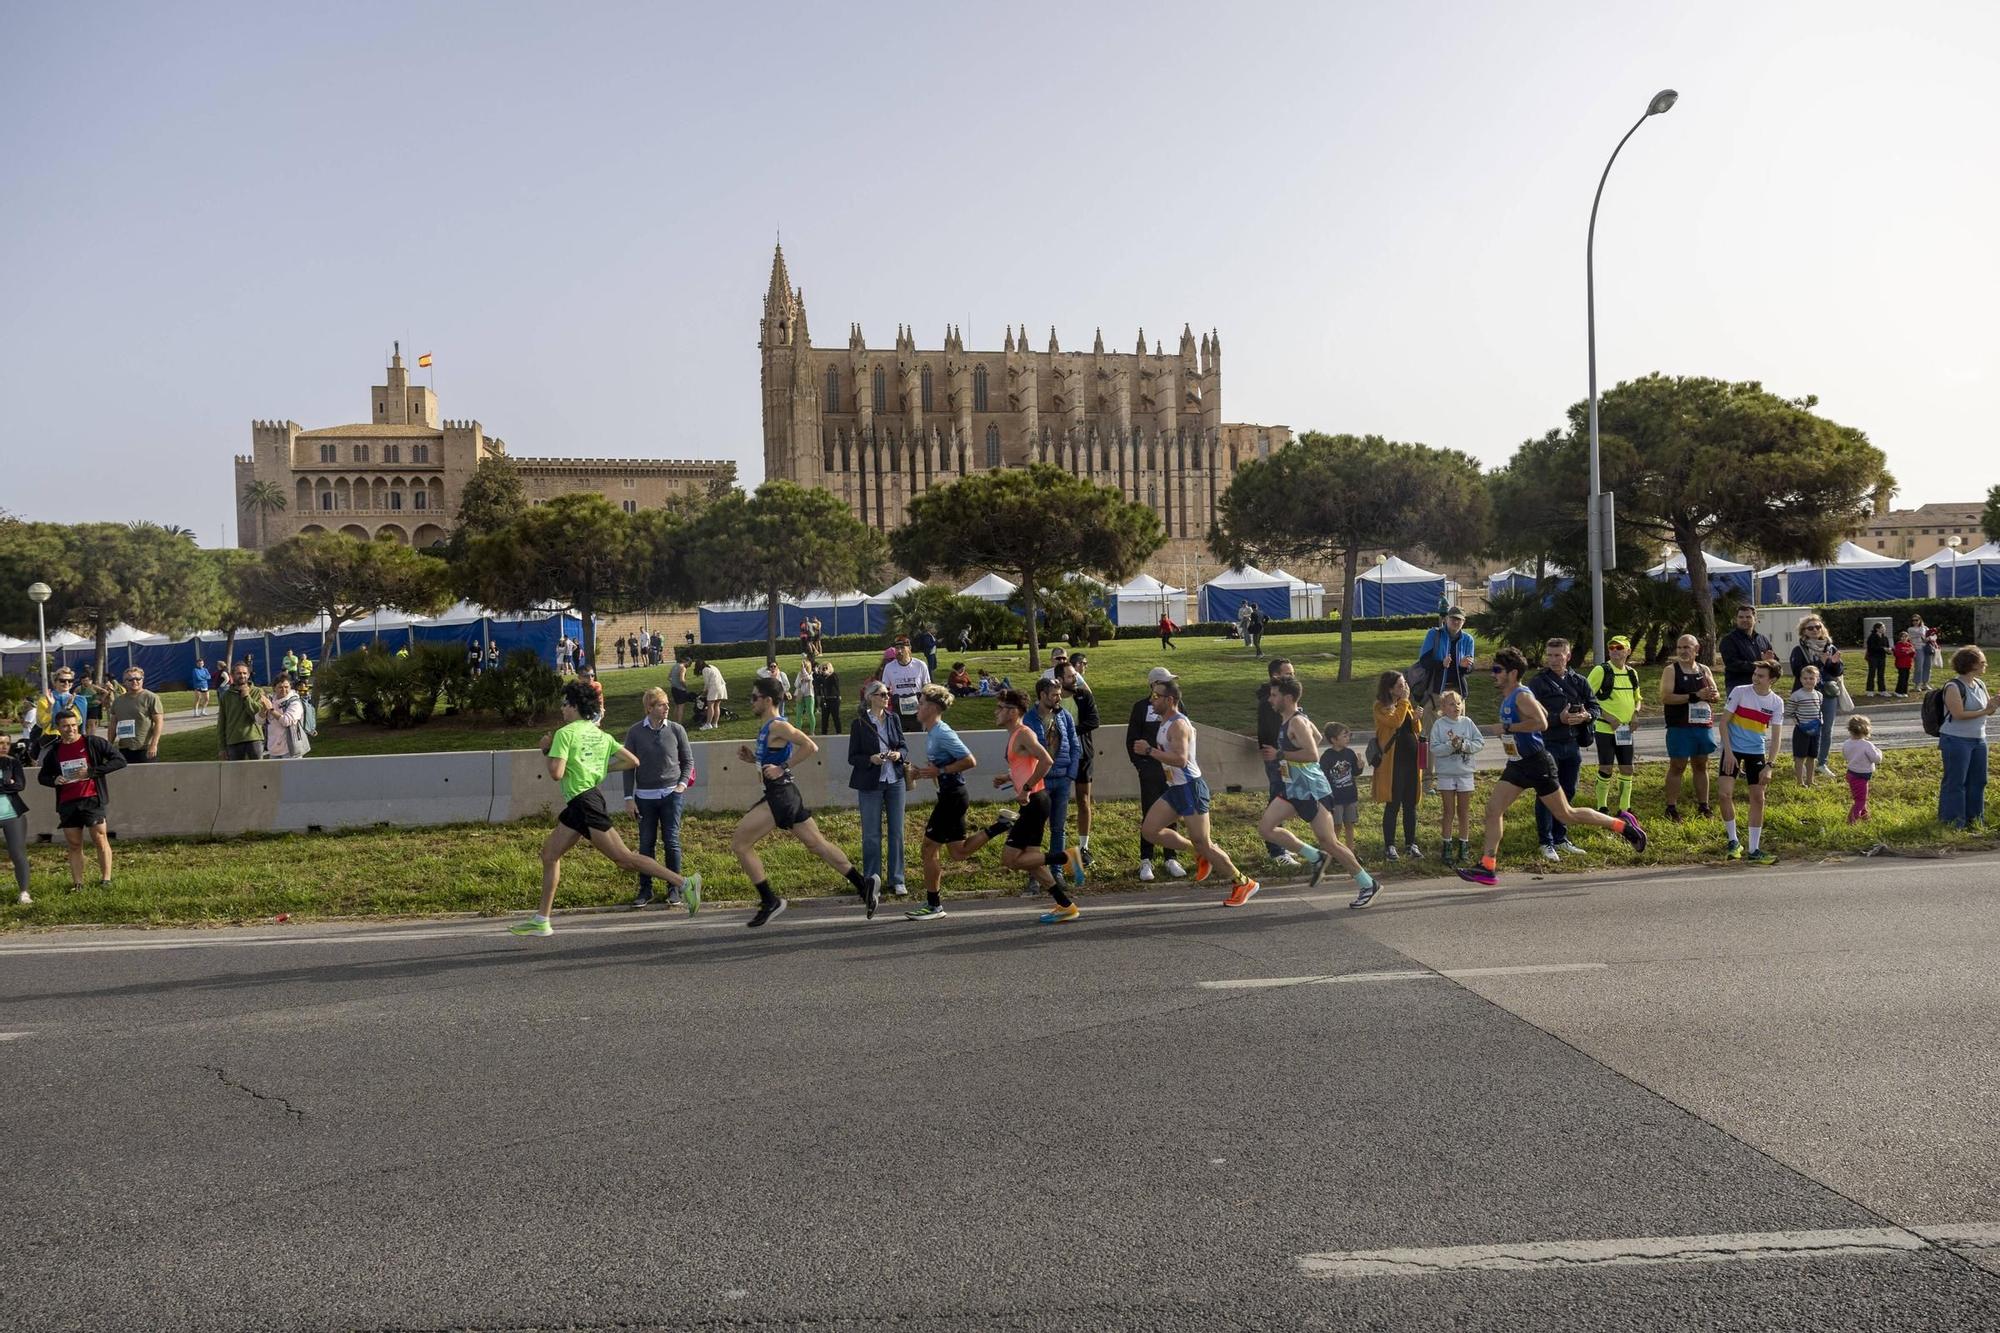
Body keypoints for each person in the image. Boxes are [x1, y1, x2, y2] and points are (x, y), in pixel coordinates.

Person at [508, 681, 700, 937]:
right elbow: (632, 761)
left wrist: (546, 749)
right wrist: (597, 768)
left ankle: (685, 883)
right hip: (582, 802)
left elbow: (556, 773)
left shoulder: (564, 734)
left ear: (574, 706)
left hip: (585, 802)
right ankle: (542, 919)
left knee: (624, 858)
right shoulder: (599, 734)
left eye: (564, 705)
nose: (562, 709)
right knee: (549, 855)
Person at [1454, 647, 1649, 888]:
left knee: (1566, 814)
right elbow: (1543, 712)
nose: (1493, 674)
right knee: (1493, 810)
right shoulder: (1513, 695)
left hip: (1537, 762)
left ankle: (1623, 826)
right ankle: (1487, 867)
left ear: (1512, 673)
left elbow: (1542, 722)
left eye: (1497, 670)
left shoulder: (1521, 695)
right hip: (1517, 764)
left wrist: (1508, 729)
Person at [731, 677, 881, 926]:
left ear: (768, 700)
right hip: (785, 793)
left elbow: (810, 746)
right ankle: (864, 885)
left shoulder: (778, 726)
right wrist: (753, 760)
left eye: (754, 697)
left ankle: (770, 900)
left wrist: (782, 767)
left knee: (740, 845)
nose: (751, 701)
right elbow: (772, 758)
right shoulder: (769, 727)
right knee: (817, 844)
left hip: (779, 796)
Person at [1135, 677, 1260, 905]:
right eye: (1151, 695)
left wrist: (1149, 750)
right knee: (1150, 830)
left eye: (1156, 696)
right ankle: (1197, 851)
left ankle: (1243, 882)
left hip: (1190, 788)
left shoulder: (1178, 725)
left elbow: (1181, 760)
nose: (1151, 700)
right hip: (1175, 788)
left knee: (1205, 842)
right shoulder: (1165, 722)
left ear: (1169, 699)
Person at [1254, 677, 1377, 906]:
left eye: (1274, 695)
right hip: (1294, 788)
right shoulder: (1293, 718)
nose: (1270, 699)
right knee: (1266, 828)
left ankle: (1368, 883)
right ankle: (1315, 856)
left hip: (1312, 790)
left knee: (1330, 842)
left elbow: (1313, 754)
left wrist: (1280, 755)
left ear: (1287, 698)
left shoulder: (1297, 722)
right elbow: (1318, 737)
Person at [905, 684, 1011, 920]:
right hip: (951, 795)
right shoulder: (932, 732)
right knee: (958, 852)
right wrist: (921, 773)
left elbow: (970, 760)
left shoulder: (942, 732)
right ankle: (1001, 825)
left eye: (921, 703)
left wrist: (940, 770)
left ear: (932, 708)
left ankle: (933, 905)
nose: (917, 707)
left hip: (953, 797)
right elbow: (939, 771)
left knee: (928, 849)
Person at [37, 708, 127, 891]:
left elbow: (119, 760)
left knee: (100, 839)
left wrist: (93, 772)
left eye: (73, 725)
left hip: (92, 799)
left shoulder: (92, 742)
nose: (71, 729)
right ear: (58, 728)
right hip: (67, 803)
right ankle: (78, 883)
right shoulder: (54, 750)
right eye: (65, 726)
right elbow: (42, 776)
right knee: (74, 844)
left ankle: (106, 879)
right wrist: (54, 780)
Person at [621, 686, 694, 909]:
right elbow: (627, 767)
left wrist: (681, 786)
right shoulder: (634, 732)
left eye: (667, 704)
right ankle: (646, 889)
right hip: (645, 797)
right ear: (650, 708)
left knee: (671, 842)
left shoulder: (676, 729)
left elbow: (688, 761)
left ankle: (674, 888)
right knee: (646, 844)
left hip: (671, 795)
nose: (667, 708)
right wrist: (628, 798)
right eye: (662, 704)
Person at [1527, 638, 1598, 862]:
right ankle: (1545, 842)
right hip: (1548, 744)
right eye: (1549, 655)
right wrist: (1560, 718)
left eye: (1558, 655)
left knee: (1568, 792)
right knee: (1547, 794)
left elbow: (1595, 705)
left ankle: (1561, 838)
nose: (1553, 660)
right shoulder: (1538, 683)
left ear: (1567, 656)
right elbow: (1530, 715)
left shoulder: (1579, 681)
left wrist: (1587, 715)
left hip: (1572, 745)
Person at [1717, 660, 1784, 863]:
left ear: (1771, 680)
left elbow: (1777, 737)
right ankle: (1733, 841)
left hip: (1756, 751)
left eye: (1761, 675)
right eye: (1755, 673)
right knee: (1724, 794)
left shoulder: (1776, 702)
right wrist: (1728, 753)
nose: (1755, 678)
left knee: (1758, 798)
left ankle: (1754, 850)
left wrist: (1769, 765)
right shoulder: (1740, 691)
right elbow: (1722, 723)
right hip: (1733, 750)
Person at [1126, 666, 1188, 882]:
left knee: (1172, 812)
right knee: (1150, 813)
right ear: (1153, 685)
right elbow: (1132, 739)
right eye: (1165, 682)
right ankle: (1146, 859)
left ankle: (1171, 857)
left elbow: (1186, 734)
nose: (1171, 686)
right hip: (1150, 770)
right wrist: (1141, 766)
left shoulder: (1178, 707)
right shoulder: (1141, 707)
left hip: (1172, 770)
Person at [848, 681, 908, 899]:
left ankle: (897, 879)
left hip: (895, 781)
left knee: (897, 832)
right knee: (871, 835)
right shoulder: (859, 723)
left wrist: (898, 755)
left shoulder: (894, 719)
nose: (886, 697)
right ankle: (872, 880)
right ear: (871, 697)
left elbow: (903, 746)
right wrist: (871, 760)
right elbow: (852, 757)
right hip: (870, 783)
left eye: (887, 693)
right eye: (882, 694)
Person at [1026, 675, 1083, 886]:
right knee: (1035, 829)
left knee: (1058, 828)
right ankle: (1035, 874)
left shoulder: (1064, 716)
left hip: (1062, 779)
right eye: (1054, 695)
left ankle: (1056, 871)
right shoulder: (1029, 719)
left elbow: (1075, 746)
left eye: (1059, 695)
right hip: (1040, 781)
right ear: (1042, 695)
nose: (1058, 699)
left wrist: (1071, 774)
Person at [1660, 633, 1721, 822]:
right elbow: (1666, 697)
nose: (1683, 651)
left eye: (1687, 647)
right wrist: (1695, 695)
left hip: (1702, 725)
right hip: (1680, 726)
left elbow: (1716, 694)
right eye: (1680, 647)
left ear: (1697, 649)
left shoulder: (1704, 670)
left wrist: (1712, 696)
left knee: (1701, 765)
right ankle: (1671, 807)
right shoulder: (1671, 670)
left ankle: (1704, 805)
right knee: (1677, 766)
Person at [1937, 645, 1995, 831]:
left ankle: (1975, 819)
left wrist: (1994, 704)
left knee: (1978, 780)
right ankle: (1953, 822)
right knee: (1956, 782)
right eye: (1982, 662)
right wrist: (1986, 710)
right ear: (1971, 665)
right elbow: (1958, 714)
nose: (1985, 664)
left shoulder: (1979, 684)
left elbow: (1988, 711)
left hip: (1979, 739)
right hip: (1956, 739)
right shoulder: (1954, 686)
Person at [1585, 635, 1643, 816]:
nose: (1614, 650)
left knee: (1627, 767)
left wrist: (1635, 714)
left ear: (1628, 651)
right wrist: (1608, 717)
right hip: (1604, 728)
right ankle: (1602, 806)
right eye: (1611, 647)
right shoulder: (1600, 671)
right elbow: (1587, 697)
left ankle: (1625, 808)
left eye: (1619, 647)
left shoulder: (1632, 673)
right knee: (1606, 767)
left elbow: (1637, 699)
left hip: (1625, 730)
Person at [1254, 658, 1303, 867]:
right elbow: (1270, 731)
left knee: (1284, 801)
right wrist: (1276, 752)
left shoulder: (1283, 697)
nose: (1292, 676)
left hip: (1284, 757)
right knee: (1278, 801)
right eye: (1288, 674)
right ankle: (1276, 851)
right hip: (1277, 758)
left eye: (1293, 673)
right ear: (1275, 676)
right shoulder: (1270, 701)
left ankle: (1283, 846)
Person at [1428, 690, 1484, 867]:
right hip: (1446, 774)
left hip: (1465, 773)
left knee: (1464, 812)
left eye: (1458, 703)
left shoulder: (1467, 723)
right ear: (1443, 707)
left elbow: (1479, 742)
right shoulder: (1439, 725)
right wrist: (1450, 746)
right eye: (1451, 704)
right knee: (1448, 811)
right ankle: (1446, 846)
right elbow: (1434, 748)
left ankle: (1463, 846)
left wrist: (1465, 745)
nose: (1456, 707)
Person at [1372, 670, 1423, 861]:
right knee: (1393, 805)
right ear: (1390, 688)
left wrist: (1416, 718)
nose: (1404, 688)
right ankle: (1390, 846)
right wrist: (1404, 702)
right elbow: (1394, 722)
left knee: (1411, 804)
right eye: (1400, 685)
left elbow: (1413, 728)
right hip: (1393, 763)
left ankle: (1411, 844)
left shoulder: (1404, 704)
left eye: (1405, 684)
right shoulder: (1380, 707)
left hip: (1411, 761)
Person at [1788, 615, 1844, 777]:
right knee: (1805, 728)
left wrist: (1833, 663)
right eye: (1810, 628)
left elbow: (1838, 671)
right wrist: (1820, 663)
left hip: (1827, 693)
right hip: (1806, 695)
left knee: (1826, 729)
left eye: (1818, 627)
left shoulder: (1830, 648)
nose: (1815, 630)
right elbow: (1797, 672)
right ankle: (1802, 762)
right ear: (1803, 631)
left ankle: (1822, 763)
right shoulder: (1799, 650)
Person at [1059, 657, 1099, 875]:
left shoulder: (1084, 696)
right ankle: (1061, 847)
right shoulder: (1052, 699)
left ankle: (1084, 847)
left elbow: (1094, 721)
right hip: (1060, 759)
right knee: (1060, 802)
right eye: (1071, 676)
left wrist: (1069, 732)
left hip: (1083, 755)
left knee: (1084, 800)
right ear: (1059, 679)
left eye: (1076, 675)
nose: (1075, 679)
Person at [1417, 607, 1476, 728]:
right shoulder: (1434, 634)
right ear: (1446, 619)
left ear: (1464, 622)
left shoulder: (1468, 639)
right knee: (1432, 729)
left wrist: (1465, 667)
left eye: (1459, 620)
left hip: (1457, 691)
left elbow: (1469, 668)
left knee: (1458, 730)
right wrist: (1441, 664)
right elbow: (1424, 661)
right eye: (1453, 618)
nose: (1456, 622)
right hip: (1436, 689)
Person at [1318, 722, 1363, 850]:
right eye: (1344, 736)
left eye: (1348, 736)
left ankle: (1350, 851)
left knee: (1349, 825)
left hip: (1350, 796)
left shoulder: (1350, 753)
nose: (1347, 738)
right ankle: (1335, 852)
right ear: (1333, 739)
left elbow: (1354, 772)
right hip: (1335, 799)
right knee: (1336, 826)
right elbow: (1323, 778)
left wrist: (1359, 767)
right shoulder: (1327, 757)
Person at [109, 667, 164, 765]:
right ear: (124, 682)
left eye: (138, 679)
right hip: (124, 749)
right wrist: (109, 746)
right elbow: (113, 725)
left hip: (145, 748)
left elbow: (159, 722)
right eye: (130, 679)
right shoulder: (118, 701)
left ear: (142, 679)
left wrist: (154, 745)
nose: (134, 681)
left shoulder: (151, 697)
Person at [1, 733, 33, 904]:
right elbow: (11, 785)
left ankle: (24, 893)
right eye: (0, 743)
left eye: (7, 743)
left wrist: (8, 785)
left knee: (17, 853)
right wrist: (7, 784)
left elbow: (19, 785)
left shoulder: (13, 762)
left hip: (13, 814)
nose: (4, 746)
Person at [216, 661, 268, 760]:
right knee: (236, 773)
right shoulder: (226, 696)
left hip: (254, 738)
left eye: (245, 673)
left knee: (258, 771)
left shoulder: (257, 691)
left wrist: (246, 697)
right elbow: (222, 722)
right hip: (233, 740)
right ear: (232, 675)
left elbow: (257, 714)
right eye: (239, 673)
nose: (242, 675)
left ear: (248, 675)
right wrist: (222, 747)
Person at [1719, 605, 1776, 693]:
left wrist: (1771, 662)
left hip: (1762, 688)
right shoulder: (1729, 640)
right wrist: (1761, 663)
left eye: (1748, 617)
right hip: (1738, 688)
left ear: (1755, 619)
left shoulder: (1762, 639)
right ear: (1736, 619)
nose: (1744, 620)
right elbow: (1733, 664)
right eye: (1741, 617)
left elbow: (1773, 659)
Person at [882, 637, 931, 732]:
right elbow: (885, 689)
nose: (899, 651)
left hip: (917, 710)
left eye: (902, 648)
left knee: (919, 739)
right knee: (899, 740)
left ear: (909, 648)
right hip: (898, 710)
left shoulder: (920, 665)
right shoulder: (889, 667)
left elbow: (927, 688)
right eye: (897, 648)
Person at [1786, 664, 1824, 787]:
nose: (1808, 681)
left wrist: (1820, 721)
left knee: (1812, 756)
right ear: (1801, 679)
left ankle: (1810, 780)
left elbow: (1819, 709)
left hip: (1815, 730)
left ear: (1817, 680)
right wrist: (1798, 723)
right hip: (1801, 731)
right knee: (1799, 756)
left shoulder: (1819, 695)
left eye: (1811, 678)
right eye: (1805, 678)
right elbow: (1789, 711)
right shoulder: (1796, 695)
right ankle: (1799, 782)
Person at [259, 674, 312, 759]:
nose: (284, 690)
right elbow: (259, 721)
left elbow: (286, 721)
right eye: (280, 687)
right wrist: (263, 709)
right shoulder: (270, 700)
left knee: (292, 773)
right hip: (273, 750)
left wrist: (271, 710)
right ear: (274, 688)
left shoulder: (295, 702)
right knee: (275, 773)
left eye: (286, 687)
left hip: (290, 751)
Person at [1842, 715, 1882, 824]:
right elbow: (1876, 759)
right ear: (1866, 730)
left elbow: (1845, 756)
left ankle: (1865, 816)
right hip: (1861, 776)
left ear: (1850, 729)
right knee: (1860, 800)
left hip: (1851, 774)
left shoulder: (1847, 743)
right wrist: (1879, 752)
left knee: (1860, 796)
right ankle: (1851, 820)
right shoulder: (1866, 745)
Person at [1864, 622, 1891, 697]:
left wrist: (1889, 651)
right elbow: (1872, 648)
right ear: (1877, 629)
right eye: (1882, 627)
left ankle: (1882, 690)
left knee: (1881, 674)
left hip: (1882, 657)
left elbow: (1887, 647)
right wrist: (1883, 648)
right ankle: (1870, 690)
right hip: (1873, 657)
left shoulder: (1885, 637)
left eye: (1884, 627)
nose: (1884, 629)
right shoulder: (1872, 637)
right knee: (1872, 673)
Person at [815, 657, 842, 734]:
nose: (824, 670)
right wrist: (818, 674)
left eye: (826, 668)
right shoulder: (821, 678)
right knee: (824, 719)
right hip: (825, 700)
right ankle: (824, 733)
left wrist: (828, 674)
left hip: (834, 699)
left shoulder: (834, 676)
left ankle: (838, 733)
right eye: (823, 668)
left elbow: (836, 684)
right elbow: (816, 684)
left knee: (836, 717)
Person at [668, 653, 695, 726]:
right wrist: (685, 686)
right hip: (680, 690)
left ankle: (674, 723)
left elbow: (669, 677)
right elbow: (682, 679)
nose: (688, 665)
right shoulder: (683, 668)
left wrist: (674, 682)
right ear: (687, 662)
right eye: (689, 664)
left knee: (676, 706)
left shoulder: (674, 666)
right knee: (681, 707)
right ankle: (679, 723)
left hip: (673, 689)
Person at [1912, 616, 1939, 691]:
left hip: (1926, 648)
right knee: (1919, 667)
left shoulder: (1925, 628)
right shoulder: (1911, 629)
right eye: (1913, 620)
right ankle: (1917, 684)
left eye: (1916, 620)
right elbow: (1920, 634)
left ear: (1920, 620)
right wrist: (1927, 634)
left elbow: (1934, 636)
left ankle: (1925, 683)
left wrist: (1929, 637)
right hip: (1918, 648)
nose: (1915, 621)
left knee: (1928, 666)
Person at [700, 658, 727, 731]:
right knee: (717, 705)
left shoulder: (705, 670)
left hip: (714, 687)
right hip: (722, 687)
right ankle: (715, 723)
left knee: (710, 706)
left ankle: (708, 724)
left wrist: (703, 693)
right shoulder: (712, 666)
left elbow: (707, 684)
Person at [792, 655, 818, 733]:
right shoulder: (799, 674)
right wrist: (800, 681)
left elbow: (808, 678)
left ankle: (812, 731)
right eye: (802, 666)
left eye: (804, 666)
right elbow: (796, 685)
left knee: (810, 712)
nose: (803, 668)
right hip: (800, 694)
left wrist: (804, 671)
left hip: (809, 695)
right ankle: (798, 731)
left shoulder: (812, 674)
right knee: (798, 713)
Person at [1893, 631, 1916, 698]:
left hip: (1908, 664)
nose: (1904, 638)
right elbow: (1897, 654)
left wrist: (1912, 651)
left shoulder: (1909, 644)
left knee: (1906, 678)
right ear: (1900, 637)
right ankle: (1898, 691)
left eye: (1905, 637)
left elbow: (1912, 655)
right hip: (1900, 664)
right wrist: (1907, 652)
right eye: (1902, 637)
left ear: (1907, 637)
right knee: (1901, 678)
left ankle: (1904, 692)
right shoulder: (1898, 645)